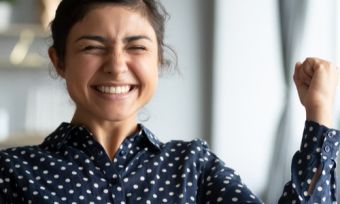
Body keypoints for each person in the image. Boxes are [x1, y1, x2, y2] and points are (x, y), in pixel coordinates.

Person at [0, 0, 339, 203]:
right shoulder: (13, 173)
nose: (117, 65)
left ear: (159, 61)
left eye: (137, 47)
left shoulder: (193, 166)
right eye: (92, 47)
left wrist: (319, 114)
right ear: (59, 60)